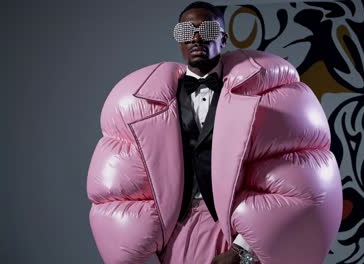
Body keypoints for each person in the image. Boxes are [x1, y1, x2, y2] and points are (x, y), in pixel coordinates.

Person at [86, 1, 343, 264]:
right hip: (177, 233)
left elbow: (297, 180)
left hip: (233, 228)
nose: (196, 37)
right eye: (186, 31)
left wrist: (242, 250)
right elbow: (124, 186)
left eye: (206, 29)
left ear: (223, 38)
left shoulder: (267, 97)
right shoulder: (145, 102)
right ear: (179, 41)